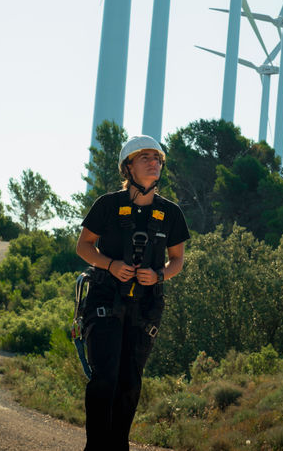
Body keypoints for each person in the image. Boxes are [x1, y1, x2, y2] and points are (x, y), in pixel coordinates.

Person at [76, 135, 190, 451]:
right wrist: (111, 265)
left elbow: (178, 259)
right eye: (145, 158)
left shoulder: (171, 213)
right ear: (128, 167)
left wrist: (159, 274)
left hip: (145, 309)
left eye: (158, 158)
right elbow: (83, 246)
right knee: (105, 378)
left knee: (129, 383)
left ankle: (119, 446)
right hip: (104, 301)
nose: (154, 162)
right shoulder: (107, 205)